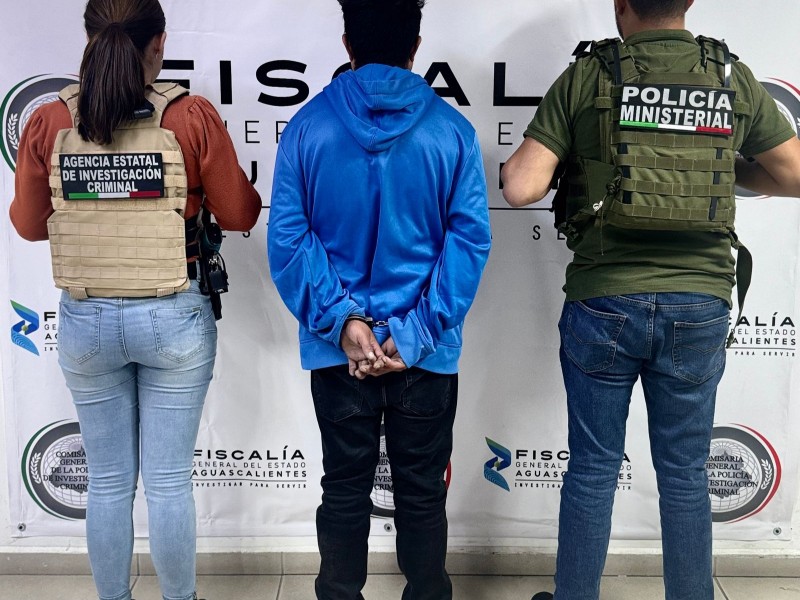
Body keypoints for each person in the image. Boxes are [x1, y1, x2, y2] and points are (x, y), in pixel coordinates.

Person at [501, 1, 800, 599]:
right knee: (686, 474)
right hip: (700, 301)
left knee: (593, 470)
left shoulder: (589, 75)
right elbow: (793, 174)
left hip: (605, 301)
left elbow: (521, 186)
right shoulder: (729, 75)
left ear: (621, 4)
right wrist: (721, 167)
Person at [9, 0, 261, 598]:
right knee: (169, 483)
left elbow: (28, 224)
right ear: (160, 42)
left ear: (89, 39)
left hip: (87, 320)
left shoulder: (49, 120)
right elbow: (240, 213)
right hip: (175, 315)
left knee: (107, 483)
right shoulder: (190, 116)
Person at [267, 0, 491, 597]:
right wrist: (412, 335)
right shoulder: (452, 131)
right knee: (422, 492)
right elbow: (468, 242)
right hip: (425, 354)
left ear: (347, 42)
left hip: (339, 352)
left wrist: (344, 323)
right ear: (415, 45)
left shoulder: (307, 127)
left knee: (344, 489)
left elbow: (288, 239)